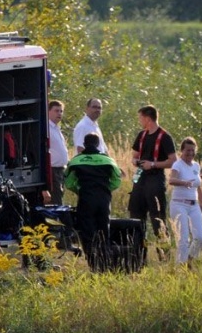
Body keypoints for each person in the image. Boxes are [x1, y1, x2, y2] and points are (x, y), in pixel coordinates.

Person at [65, 133, 122, 271]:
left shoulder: (76, 161)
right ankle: (104, 264)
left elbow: (69, 183)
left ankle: (92, 263)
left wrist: (79, 190)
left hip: (86, 199)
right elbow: (116, 181)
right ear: (98, 144)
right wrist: (105, 190)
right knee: (103, 229)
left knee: (87, 231)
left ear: (84, 144)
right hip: (103, 199)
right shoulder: (108, 160)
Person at [128, 105, 177, 238]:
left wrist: (153, 164)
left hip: (155, 178)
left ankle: (163, 248)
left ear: (148, 119)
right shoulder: (141, 135)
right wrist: (135, 161)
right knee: (135, 214)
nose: (139, 121)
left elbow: (173, 161)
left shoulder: (165, 136)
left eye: (141, 118)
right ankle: (137, 247)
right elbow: (134, 155)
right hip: (140, 177)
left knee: (157, 217)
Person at [168, 137, 202, 266]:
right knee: (183, 238)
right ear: (182, 151)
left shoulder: (196, 165)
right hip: (179, 204)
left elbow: (198, 187)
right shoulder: (177, 165)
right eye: (187, 150)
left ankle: (190, 259)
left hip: (194, 205)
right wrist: (184, 183)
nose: (190, 153)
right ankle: (181, 266)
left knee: (201, 236)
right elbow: (171, 180)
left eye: (192, 150)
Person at [47, 100, 70, 205]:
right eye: (56, 111)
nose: (59, 114)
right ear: (48, 111)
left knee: (59, 196)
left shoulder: (56, 128)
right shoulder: (47, 129)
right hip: (53, 170)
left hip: (60, 170)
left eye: (61, 111)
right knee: (56, 200)